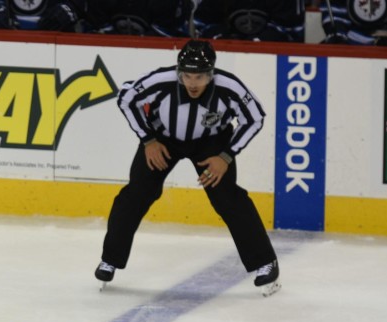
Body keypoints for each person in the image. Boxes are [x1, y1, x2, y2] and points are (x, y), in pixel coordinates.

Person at [94, 39, 280, 296]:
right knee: (136, 194)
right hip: (163, 141)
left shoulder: (229, 87)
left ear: (211, 74)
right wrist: (148, 140)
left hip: (211, 145)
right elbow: (126, 97)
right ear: (179, 72)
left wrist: (226, 156)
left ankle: (265, 263)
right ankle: (110, 260)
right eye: (187, 76)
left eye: (200, 76)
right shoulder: (162, 80)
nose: (193, 83)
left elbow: (255, 118)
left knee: (228, 199)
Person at [192, 0, 305, 42]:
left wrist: (264, 39)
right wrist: (221, 37)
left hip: (274, 59)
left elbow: (294, 31)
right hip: (224, 55)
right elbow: (202, 24)